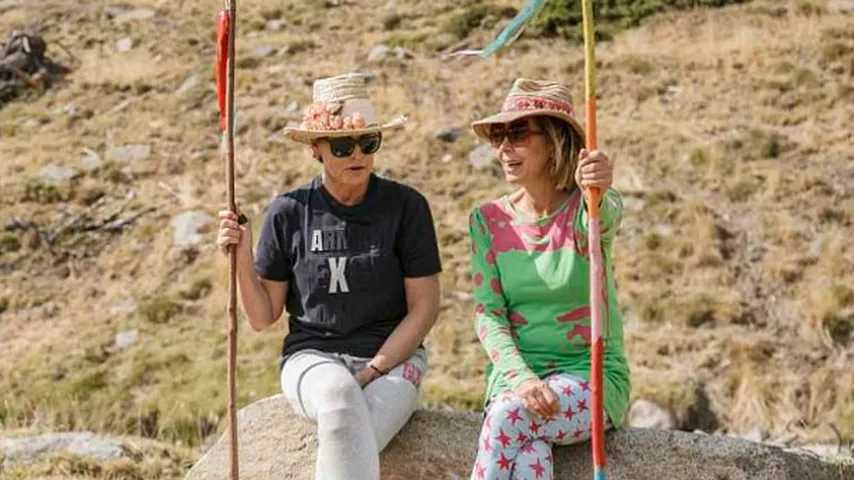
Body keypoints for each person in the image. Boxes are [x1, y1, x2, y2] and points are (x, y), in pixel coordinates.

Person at [216, 73, 442, 480]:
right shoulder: (288, 211)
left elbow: (424, 308)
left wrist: (375, 369)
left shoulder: (407, 207)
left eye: (368, 143)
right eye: (342, 145)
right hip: (311, 357)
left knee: (352, 434)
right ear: (316, 150)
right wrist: (241, 258)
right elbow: (261, 316)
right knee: (339, 400)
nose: (357, 154)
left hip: (393, 361)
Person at [466, 79, 630, 480]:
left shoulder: (585, 210)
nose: (505, 147)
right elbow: (488, 313)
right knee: (530, 458)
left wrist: (599, 186)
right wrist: (521, 379)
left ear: (555, 140)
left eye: (519, 133)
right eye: (499, 135)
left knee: (509, 419)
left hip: (590, 379)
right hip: (516, 383)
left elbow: (604, 217)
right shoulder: (487, 220)